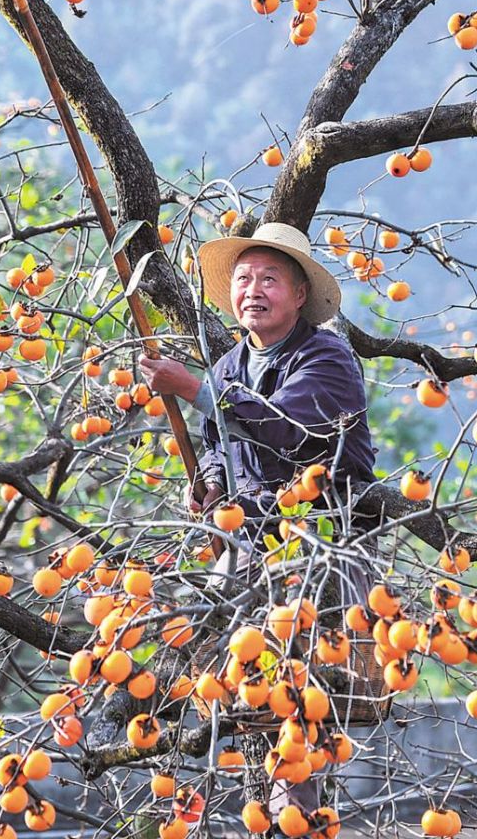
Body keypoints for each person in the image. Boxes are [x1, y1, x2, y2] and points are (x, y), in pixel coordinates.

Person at [138, 220, 379, 826]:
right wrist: (212, 482)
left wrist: (191, 387)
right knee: (221, 670)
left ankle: (294, 810)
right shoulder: (231, 363)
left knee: (300, 695)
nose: (254, 290)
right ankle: (274, 805)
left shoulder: (327, 357)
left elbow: (285, 428)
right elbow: (221, 444)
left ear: (299, 296)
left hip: (319, 545)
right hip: (251, 546)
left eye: (270, 279)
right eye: (244, 279)